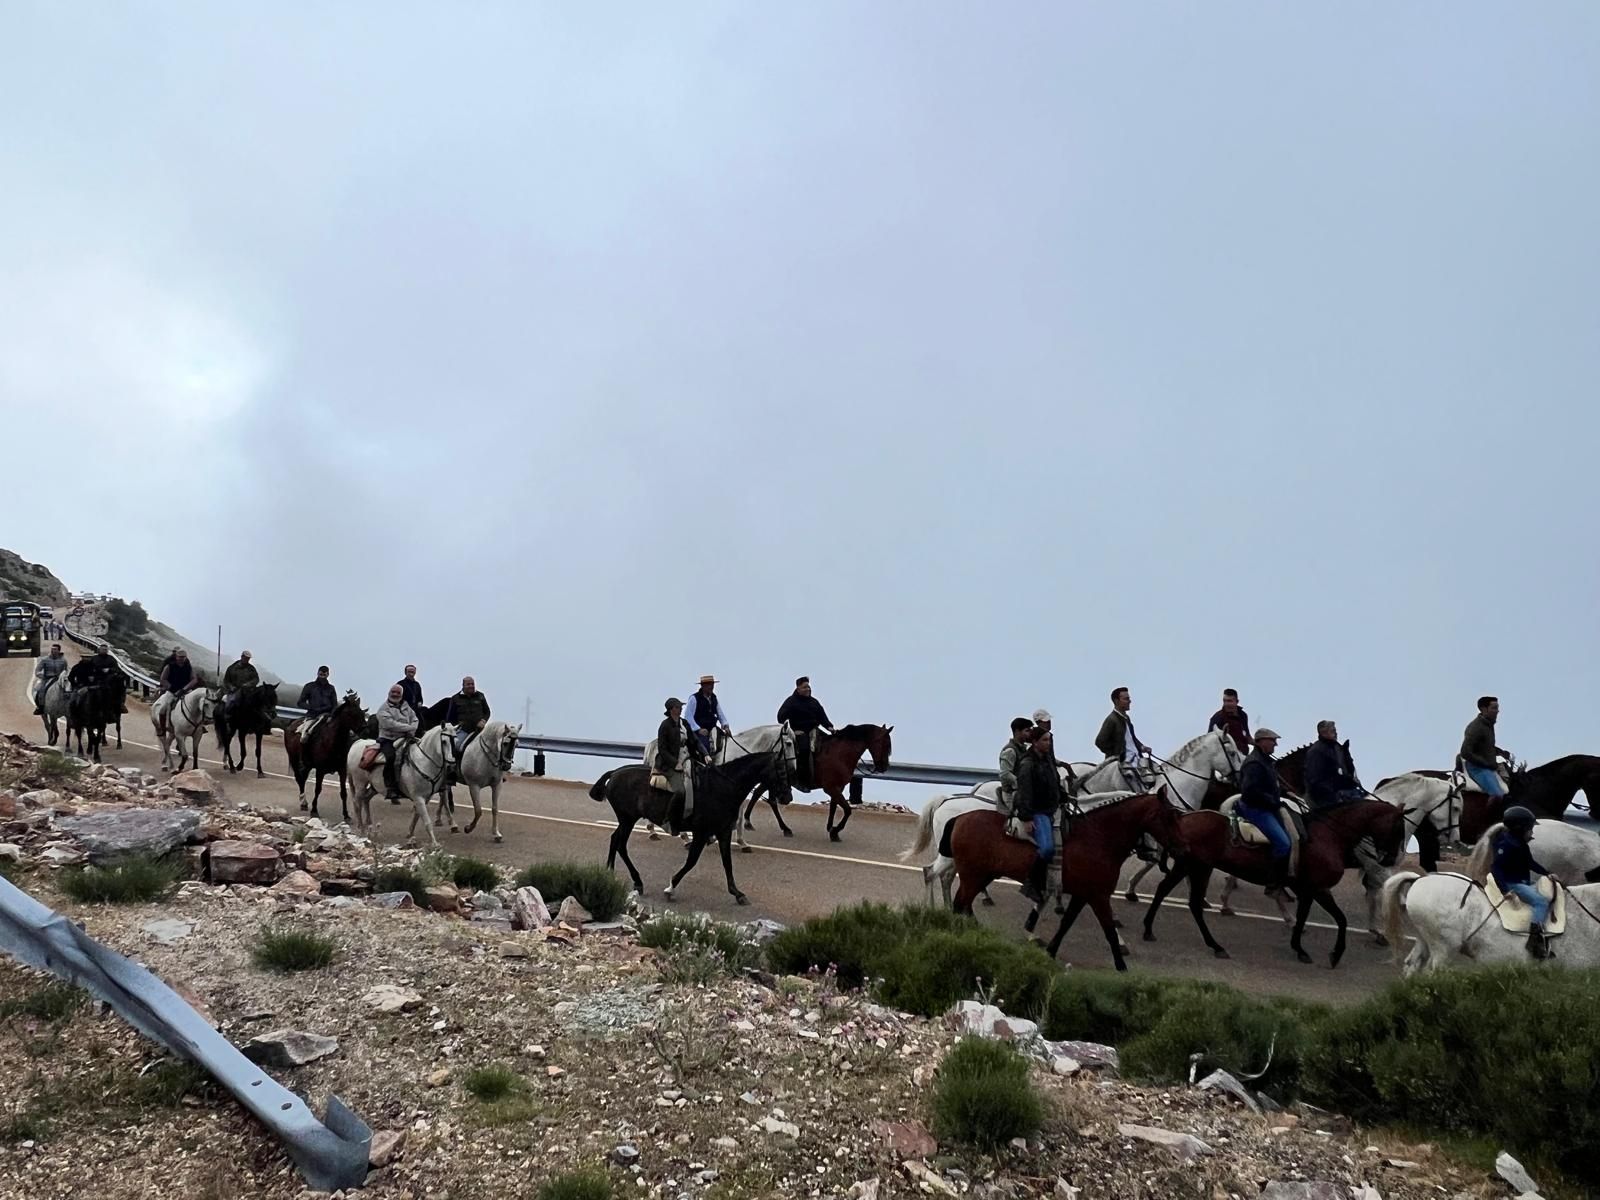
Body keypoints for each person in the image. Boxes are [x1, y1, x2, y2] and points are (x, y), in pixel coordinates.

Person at [1490, 806, 1554, 959]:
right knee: (1541, 902)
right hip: (1514, 883)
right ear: (1520, 829)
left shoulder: (1519, 843)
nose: (1532, 832)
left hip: (1524, 881)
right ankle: (1534, 940)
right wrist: (1505, 890)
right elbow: (1496, 868)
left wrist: (1548, 874)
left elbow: (1530, 863)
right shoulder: (1506, 844)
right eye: (1530, 829)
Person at [1014, 731, 1064, 904]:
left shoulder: (1048, 759)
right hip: (1038, 812)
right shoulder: (1027, 764)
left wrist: (1063, 796)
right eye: (1044, 740)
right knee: (1048, 849)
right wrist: (1027, 818)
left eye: (1049, 740)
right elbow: (1024, 793)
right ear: (1034, 742)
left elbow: (1055, 782)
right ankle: (1031, 883)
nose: (1048, 743)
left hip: (1053, 808)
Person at [1237, 727, 1292, 872]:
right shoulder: (1254, 763)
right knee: (1283, 844)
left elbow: (1269, 784)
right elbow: (1251, 791)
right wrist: (1273, 802)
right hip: (1256, 809)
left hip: (1268, 807)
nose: (1276, 744)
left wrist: (1285, 793)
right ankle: (1271, 879)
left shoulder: (1266, 761)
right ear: (1261, 742)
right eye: (1273, 741)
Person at [653, 697, 708, 830]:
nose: (681, 708)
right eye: (678, 707)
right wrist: (674, 763)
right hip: (670, 764)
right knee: (680, 791)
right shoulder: (665, 725)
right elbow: (662, 749)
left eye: (680, 707)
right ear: (672, 710)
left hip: (687, 759)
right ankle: (667, 819)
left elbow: (694, 741)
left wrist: (705, 754)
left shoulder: (684, 723)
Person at [777, 676, 832, 788]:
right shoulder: (791, 702)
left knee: (830, 745)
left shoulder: (814, 702)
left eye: (809, 687)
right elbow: (780, 717)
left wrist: (830, 727)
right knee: (804, 751)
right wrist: (792, 731)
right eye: (805, 687)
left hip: (813, 731)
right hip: (798, 732)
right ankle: (803, 781)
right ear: (798, 689)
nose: (808, 689)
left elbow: (822, 717)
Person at [1304, 720, 1365, 809]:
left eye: (1335, 730)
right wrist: (1333, 795)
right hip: (1331, 797)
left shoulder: (1338, 748)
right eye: (1333, 731)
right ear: (1323, 733)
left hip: (1349, 791)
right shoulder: (1316, 751)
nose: (1336, 733)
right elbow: (1314, 779)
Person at [1095, 687, 1149, 786]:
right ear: (1116, 701)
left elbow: (1131, 738)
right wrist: (1115, 754)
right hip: (1124, 765)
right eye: (1126, 699)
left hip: (1136, 760)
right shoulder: (1111, 720)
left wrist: (1141, 747)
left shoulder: (1126, 718)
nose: (1130, 701)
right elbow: (1100, 742)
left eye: (1129, 698)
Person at [1460, 696, 1510, 796]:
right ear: (1484, 709)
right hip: (1477, 769)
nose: (1497, 711)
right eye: (1494, 708)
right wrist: (1486, 763)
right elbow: (1465, 751)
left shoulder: (1488, 725)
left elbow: (1484, 746)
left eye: (1497, 708)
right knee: (1497, 795)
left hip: (1488, 767)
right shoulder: (1476, 727)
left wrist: (1500, 752)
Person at [375, 684, 419, 801]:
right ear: (389, 693)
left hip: (406, 738)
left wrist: (412, 728)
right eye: (393, 692)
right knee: (391, 757)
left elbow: (415, 719)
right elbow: (390, 724)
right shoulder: (383, 709)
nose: (395, 694)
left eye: (398, 693)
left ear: (401, 694)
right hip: (388, 739)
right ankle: (390, 787)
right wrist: (409, 728)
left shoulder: (406, 706)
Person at [153, 648, 200, 735]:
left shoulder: (188, 667)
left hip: (185, 691)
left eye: (183, 657)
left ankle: (199, 727)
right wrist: (171, 687)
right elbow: (163, 679)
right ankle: (163, 729)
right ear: (176, 657)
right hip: (172, 691)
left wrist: (185, 689)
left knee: (197, 705)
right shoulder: (169, 666)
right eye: (180, 657)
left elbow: (194, 679)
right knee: (163, 708)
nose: (182, 659)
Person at [685, 675, 730, 757]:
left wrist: (725, 725)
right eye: (709, 684)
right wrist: (698, 729)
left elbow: (720, 713)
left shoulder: (713, 698)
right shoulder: (694, 698)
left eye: (712, 684)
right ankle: (703, 766)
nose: (711, 687)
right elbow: (688, 717)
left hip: (712, 728)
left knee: (726, 741)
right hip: (699, 731)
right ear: (703, 686)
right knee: (704, 746)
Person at [445, 676, 490, 756]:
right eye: (468, 684)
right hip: (463, 730)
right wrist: (457, 726)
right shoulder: (455, 698)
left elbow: (487, 712)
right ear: (463, 685)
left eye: (472, 684)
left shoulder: (480, 696)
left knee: (490, 747)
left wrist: (483, 721)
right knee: (456, 747)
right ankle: (456, 767)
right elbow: (449, 718)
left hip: (480, 730)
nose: (471, 686)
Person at [998, 717, 1034, 814]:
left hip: (1023, 792)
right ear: (1017, 731)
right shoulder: (1010, 750)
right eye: (1027, 731)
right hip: (1011, 793)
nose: (1030, 733)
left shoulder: (1024, 749)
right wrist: (1020, 783)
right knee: (1023, 816)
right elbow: (1005, 773)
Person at [1208, 688, 1252, 753]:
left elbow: (1247, 737)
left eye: (1229, 701)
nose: (1226, 704)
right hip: (1228, 757)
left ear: (1237, 701)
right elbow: (1210, 742)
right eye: (1224, 701)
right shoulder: (1217, 717)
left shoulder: (1243, 715)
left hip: (1243, 755)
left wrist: (1259, 743)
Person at [222, 650, 260, 720]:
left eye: (248, 658)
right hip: (234, 691)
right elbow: (226, 680)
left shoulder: (251, 669)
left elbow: (256, 679)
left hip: (248, 692)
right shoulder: (232, 668)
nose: (247, 660)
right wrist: (231, 687)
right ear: (242, 657)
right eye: (246, 658)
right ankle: (227, 719)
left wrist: (248, 684)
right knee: (229, 704)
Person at [32, 643, 69, 714]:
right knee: (40, 691)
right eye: (52, 649)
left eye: (55, 650)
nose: (53, 651)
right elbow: (37, 671)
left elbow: (67, 669)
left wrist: (65, 676)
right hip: (47, 679)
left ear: (59, 651)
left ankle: (69, 707)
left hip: (59, 679)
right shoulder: (45, 660)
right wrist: (42, 675)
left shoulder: (63, 660)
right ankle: (40, 707)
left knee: (69, 690)